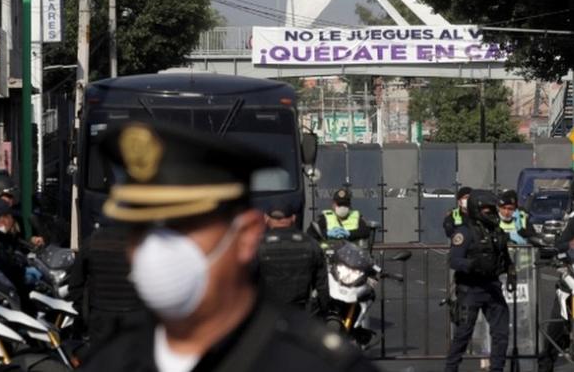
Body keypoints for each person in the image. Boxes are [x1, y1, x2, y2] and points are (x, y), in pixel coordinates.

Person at [83, 121, 377, 372]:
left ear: (247, 235)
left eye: (182, 227)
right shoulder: (110, 360)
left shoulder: (316, 364)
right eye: (141, 230)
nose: (155, 250)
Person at [444, 190, 514, 372]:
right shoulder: (465, 233)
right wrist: (473, 264)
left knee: (501, 333)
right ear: (476, 210)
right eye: (486, 210)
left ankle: (497, 369)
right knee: (463, 334)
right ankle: (450, 369)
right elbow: (453, 260)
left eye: (492, 209)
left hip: (492, 287)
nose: (491, 213)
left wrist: (510, 270)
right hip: (470, 288)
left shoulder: (496, 232)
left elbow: (504, 256)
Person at [67, 222, 146, 349]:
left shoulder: (92, 242)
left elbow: (76, 284)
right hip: (135, 316)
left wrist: (83, 314)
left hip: (101, 317)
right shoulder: (141, 242)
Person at [257, 200, 329, 315]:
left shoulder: (256, 245)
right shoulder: (311, 244)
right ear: (293, 218)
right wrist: (325, 312)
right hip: (299, 314)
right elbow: (322, 286)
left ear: (266, 218)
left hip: (266, 315)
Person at [0, 174, 46, 248]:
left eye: (12, 196)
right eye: (8, 196)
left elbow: (19, 239)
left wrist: (32, 240)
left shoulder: (15, 217)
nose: (11, 200)